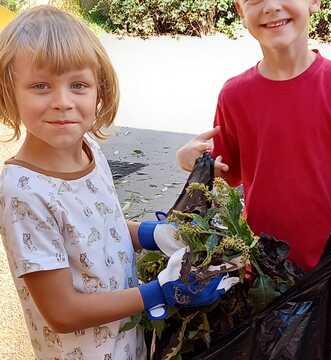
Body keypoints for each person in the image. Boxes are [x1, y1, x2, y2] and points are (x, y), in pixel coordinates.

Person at [0, 6, 236, 359]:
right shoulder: (22, 191)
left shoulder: (89, 149)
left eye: (78, 85)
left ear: (100, 91)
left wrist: (149, 234)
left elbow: (95, 226)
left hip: (128, 344)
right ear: (8, 92)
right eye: (40, 86)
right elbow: (62, 312)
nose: (62, 102)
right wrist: (161, 292)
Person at [176, 0, 331, 358]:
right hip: (268, 279)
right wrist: (190, 161)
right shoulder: (235, 95)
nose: (271, 7)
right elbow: (223, 172)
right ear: (240, 9)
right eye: (255, 0)